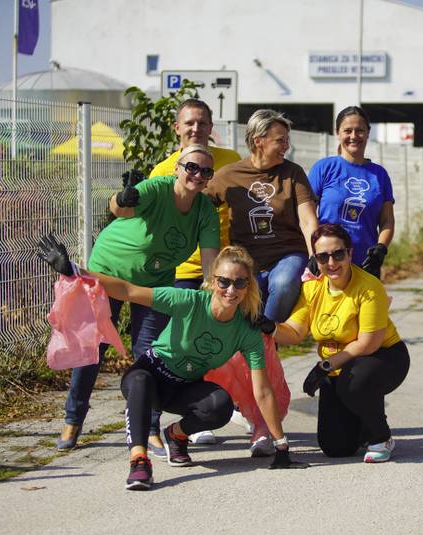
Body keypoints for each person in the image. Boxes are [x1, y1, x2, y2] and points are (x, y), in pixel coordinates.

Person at [38, 238, 307, 490]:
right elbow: (128, 290)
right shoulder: (188, 301)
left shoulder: (246, 331)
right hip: (150, 375)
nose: (231, 289)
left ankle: (176, 435)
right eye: (224, 281)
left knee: (220, 406)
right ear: (212, 281)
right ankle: (139, 461)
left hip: (184, 388)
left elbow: (263, 391)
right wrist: (75, 270)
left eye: (240, 283)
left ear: (249, 286)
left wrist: (282, 445)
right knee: (141, 382)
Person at [55, 144, 221, 454]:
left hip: (154, 283)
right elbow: (119, 208)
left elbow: (211, 265)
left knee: (152, 355)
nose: (197, 175)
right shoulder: (157, 188)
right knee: (94, 349)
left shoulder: (204, 212)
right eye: (191, 168)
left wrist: (212, 300)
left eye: (205, 171)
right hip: (108, 271)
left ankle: (150, 427)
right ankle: (73, 419)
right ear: (177, 169)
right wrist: (122, 197)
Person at [204, 109, 319, 456]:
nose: (286, 145)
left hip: (287, 255)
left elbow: (306, 217)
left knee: (284, 284)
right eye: (280, 139)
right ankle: (257, 357)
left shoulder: (292, 173)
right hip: (247, 263)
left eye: (286, 139)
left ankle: (260, 338)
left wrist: (315, 253)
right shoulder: (229, 175)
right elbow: (196, 200)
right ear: (258, 141)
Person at [269, 224, 409, 463]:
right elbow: (294, 331)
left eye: (338, 254)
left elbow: (368, 344)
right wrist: (268, 327)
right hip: (339, 365)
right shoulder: (312, 287)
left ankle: (381, 436)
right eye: (323, 257)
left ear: (350, 253)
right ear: (316, 259)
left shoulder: (369, 287)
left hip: (384, 357)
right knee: (336, 446)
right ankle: (363, 423)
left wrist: (324, 366)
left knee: (354, 382)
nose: (331, 263)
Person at [149, 98, 243, 446]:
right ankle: (189, 419)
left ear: (211, 126)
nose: (196, 129)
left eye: (202, 123)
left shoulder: (230, 161)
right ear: (177, 127)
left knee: (223, 342)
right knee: (180, 347)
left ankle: (234, 406)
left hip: (221, 272)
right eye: (189, 123)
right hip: (176, 272)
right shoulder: (162, 170)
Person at [308, 106, 395, 279]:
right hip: (328, 262)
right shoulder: (324, 168)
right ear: (337, 133)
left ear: (368, 133)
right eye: (347, 131)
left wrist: (381, 248)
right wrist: (314, 254)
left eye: (359, 130)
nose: (354, 136)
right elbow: (307, 217)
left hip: (365, 264)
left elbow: (387, 220)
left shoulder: (380, 174)